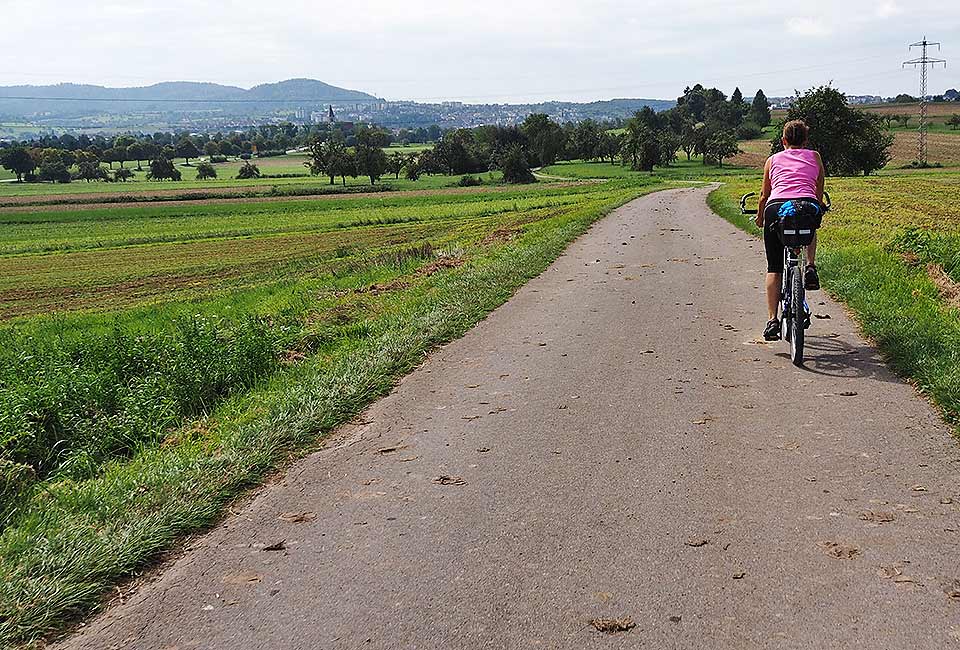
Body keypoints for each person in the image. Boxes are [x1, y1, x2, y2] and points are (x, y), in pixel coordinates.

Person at [755, 120, 825, 341]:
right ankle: (810, 266)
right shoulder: (815, 157)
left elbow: (764, 196)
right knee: (811, 220)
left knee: (774, 267)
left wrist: (760, 217)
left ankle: (772, 320)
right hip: (806, 205)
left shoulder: (772, 160)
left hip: (776, 209)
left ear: (783, 140)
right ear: (806, 140)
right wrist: (819, 205)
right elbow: (818, 190)